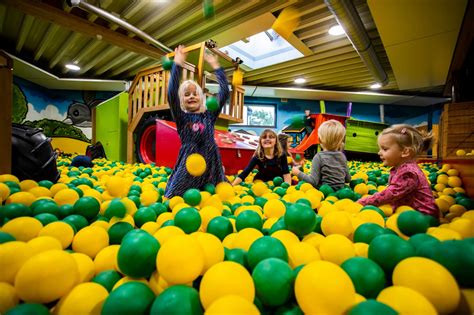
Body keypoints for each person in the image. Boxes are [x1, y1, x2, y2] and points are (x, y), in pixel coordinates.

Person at [164, 45, 230, 198]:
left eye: (195, 94)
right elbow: (171, 93)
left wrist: (215, 66)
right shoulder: (182, 117)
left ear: (201, 98)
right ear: (181, 101)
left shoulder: (209, 115)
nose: (192, 96)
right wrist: (177, 65)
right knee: (174, 196)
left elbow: (224, 92)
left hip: (211, 159)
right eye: (187, 95)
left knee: (220, 195)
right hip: (190, 162)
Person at [358, 124, 438, 218]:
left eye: (385, 149)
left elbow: (390, 194)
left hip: (423, 217)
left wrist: (362, 203)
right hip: (407, 214)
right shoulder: (401, 168)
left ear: (405, 152)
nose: (379, 153)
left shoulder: (408, 173)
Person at [291, 119, 350, 190]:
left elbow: (313, 181)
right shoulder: (342, 156)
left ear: (319, 140)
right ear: (341, 140)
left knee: (303, 186)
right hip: (340, 192)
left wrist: (298, 173)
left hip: (323, 192)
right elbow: (348, 179)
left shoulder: (319, 157)